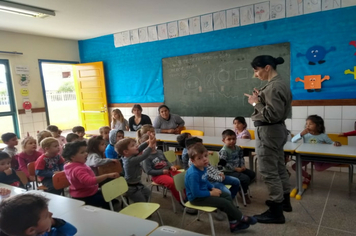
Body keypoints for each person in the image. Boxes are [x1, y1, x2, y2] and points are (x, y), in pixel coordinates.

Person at [244, 55, 292, 223]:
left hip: (269, 132)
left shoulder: (273, 87)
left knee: (268, 171)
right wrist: (260, 97)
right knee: (279, 167)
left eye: (256, 71)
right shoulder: (278, 84)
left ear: (267, 68)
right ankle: (285, 201)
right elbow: (276, 110)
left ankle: (276, 212)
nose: (255, 75)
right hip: (276, 131)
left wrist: (255, 103)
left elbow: (272, 114)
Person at [185, 143, 257, 233]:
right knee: (224, 203)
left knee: (227, 196)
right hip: (196, 198)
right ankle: (241, 218)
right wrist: (211, 193)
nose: (204, 159)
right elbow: (195, 193)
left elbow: (205, 180)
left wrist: (211, 187)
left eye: (205, 156)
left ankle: (233, 223)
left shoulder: (202, 167)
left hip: (204, 192)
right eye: (199, 158)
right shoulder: (193, 174)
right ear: (192, 161)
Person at [63, 141, 119, 209]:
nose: (86, 154)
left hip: (86, 192)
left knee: (111, 198)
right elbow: (90, 181)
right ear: (72, 157)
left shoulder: (70, 165)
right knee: (110, 202)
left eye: (86, 151)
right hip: (85, 196)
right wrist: (107, 175)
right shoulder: (78, 169)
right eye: (82, 152)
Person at [291, 115, 341, 187]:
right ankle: (307, 176)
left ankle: (335, 162)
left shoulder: (323, 136)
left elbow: (331, 143)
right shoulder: (305, 135)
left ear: (318, 126)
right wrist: (301, 134)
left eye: (310, 124)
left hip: (317, 157)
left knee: (319, 168)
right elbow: (292, 141)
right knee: (295, 166)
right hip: (306, 156)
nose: (307, 126)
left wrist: (336, 143)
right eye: (306, 124)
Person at [0, 194, 77, 236]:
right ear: (31, 230)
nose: (51, 214)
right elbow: (71, 231)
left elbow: (72, 231)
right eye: (47, 215)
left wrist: (53, 222)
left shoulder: (41, 230)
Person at [115, 134, 156, 202]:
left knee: (148, 193)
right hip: (131, 188)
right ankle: (142, 210)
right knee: (141, 201)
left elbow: (139, 148)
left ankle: (145, 208)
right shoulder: (130, 161)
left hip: (137, 184)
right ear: (126, 151)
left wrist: (148, 141)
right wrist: (150, 145)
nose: (136, 145)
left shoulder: (129, 155)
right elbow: (144, 156)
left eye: (135, 144)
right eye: (133, 145)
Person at [218, 129, 255, 204]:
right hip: (228, 171)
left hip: (239, 168)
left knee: (252, 174)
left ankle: (240, 187)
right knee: (245, 179)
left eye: (234, 139)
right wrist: (235, 168)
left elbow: (241, 157)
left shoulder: (238, 148)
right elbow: (223, 163)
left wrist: (242, 166)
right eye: (229, 139)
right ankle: (244, 193)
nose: (232, 141)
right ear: (223, 141)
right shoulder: (224, 151)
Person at [142, 134, 181, 203]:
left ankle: (188, 196)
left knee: (182, 177)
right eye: (150, 144)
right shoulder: (146, 157)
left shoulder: (159, 151)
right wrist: (162, 172)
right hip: (158, 175)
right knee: (172, 183)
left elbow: (166, 161)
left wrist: (171, 166)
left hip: (168, 171)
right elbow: (148, 171)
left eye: (154, 143)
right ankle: (181, 200)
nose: (152, 145)